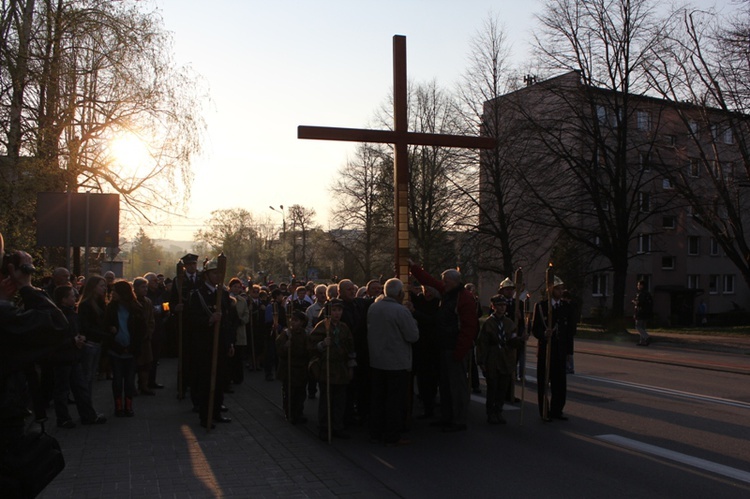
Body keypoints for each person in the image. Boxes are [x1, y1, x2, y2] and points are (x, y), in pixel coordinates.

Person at [409, 261, 479, 432]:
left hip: (455, 348)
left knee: (457, 387)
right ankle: (447, 417)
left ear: (454, 281)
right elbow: (430, 282)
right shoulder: (449, 293)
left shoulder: (464, 298)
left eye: (446, 281)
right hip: (445, 346)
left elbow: (469, 327)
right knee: (446, 386)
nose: (443, 284)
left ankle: (458, 419)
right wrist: (413, 267)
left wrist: (460, 351)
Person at [367, 278, 419, 446]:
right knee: (394, 401)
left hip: (377, 360)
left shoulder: (374, 307)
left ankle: (376, 431)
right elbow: (413, 336)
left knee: (378, 398)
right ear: (399, 293)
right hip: (396, 362)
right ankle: (392, 434)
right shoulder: (400, 311)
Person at [185, 256, 234, 429]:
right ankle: (205, 415)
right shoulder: (198, 295)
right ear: (206, 275)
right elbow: (191, 320)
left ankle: (216, 412)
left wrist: (229, 343)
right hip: (204, 345)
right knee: (206, 380)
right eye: (214, 273)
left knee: (220, 379)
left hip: (220, 343)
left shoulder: (224, 294)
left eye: (219, 273)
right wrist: (209, 320)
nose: (217, 276)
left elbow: (227, 322)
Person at [51, 285, 107, 426]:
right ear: (63, 299)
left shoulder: (72, 314)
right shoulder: (56, 315)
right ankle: (63, 419)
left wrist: (80, 337)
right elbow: (54, 338)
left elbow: (77, 330)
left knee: (80, 387)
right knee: (62, 390)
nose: (75, 298)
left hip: (74, 356)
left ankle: (88, 415)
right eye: (71, 296)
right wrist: (72, 340)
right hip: (63, 358)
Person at [532, 275, 577, 421]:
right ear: (550, 290)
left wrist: (569, 353)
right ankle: (544, 411)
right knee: (544, 382)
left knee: (560, 383)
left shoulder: (567, 307)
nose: (561, 291)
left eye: (562, 288)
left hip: (560, 351)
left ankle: (557, 410)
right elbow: (535, 329)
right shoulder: (541, 307)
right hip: (546, 350)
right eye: (558, 289)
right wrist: (544, 334)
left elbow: (570, 332)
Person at [308, 299, 354, 440]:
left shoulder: (344, 327)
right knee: (326, 400)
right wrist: (322, 344)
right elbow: (311, 345)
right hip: (327, 367)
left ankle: (337, 426)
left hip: (341, 368)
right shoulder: (322, 326)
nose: (337, 313)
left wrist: (351, 365)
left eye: (339, 310)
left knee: (340, 401)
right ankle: (324, 427)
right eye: (334, 310)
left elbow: (351, 347)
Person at [104, 280, 147, 417]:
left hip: (131, 350)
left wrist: (133, 347)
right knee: (117, 379)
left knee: (129, 380)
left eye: (115, 291)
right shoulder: (111, 308)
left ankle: (128, 406)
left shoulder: (136, 308)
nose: (112, 294)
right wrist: (112, 334)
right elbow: (106, 328)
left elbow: (141, 331)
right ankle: (118, 406)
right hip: (116, 350)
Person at [476, 296, 521, 424]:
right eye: (499, 305)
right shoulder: (488, 323)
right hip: (492, 358)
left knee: (502, 388)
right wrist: (481, 361)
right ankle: (490, 412)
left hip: (506, 358)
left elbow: (513, 341)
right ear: (493, 307)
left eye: (504, 305)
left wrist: (520, 339)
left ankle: (499, 411)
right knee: (492, 388)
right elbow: (482, 343)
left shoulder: (509, 323)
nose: (502, 308)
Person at [410, 284, 440, 419]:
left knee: (431, 378)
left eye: (430, 291)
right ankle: (424, 402)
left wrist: (415, 313)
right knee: (422, 378)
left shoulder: (438, 303)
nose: (427, 293)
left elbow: (433, 321)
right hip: (419, 345)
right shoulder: (419, 300)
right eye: (425, 290)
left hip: (433, 345)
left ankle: (430, 404)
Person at [276, 310, 310, 424]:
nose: (293, 323)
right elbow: (279, 350)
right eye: (292, 320)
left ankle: (298, 412)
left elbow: (307, 350)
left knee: (300, 393)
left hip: (300, 369)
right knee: (289, 392)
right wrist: (286, 347)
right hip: (288, 368)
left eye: (296, 320)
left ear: (301, 322)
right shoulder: (286, 334)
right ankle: (289, 412)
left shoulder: (304, 334)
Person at [77, 275, 108, 394]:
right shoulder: (86, 304)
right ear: (93, 287)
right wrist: (104, 334)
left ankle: (88, 405)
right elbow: (85, 326)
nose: (104, 288)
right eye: (101, 286)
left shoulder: (100, 303)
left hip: (97, 342)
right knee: (87, 376)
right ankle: (86, 406)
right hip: (89, 343)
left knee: (90, 376)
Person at [133, 277, 155, 396]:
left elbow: (151, 319)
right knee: (134, 363)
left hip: (146, 338)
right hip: (134, 338)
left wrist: (149, 332)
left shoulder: (148, 302)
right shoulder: (132, 302)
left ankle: (144, 385)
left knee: (146, 363)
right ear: (135, 288)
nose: (145, 289)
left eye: (146, 287)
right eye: (143, 287)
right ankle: (132, 386)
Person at [633, 280, 653, 346]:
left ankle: (647, 337)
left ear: (642, 286)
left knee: (638, 326)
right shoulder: (648, 294)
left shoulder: (641, 294)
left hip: (640, 312)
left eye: (638, 285)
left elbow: (640, 303)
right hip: (647, 313)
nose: (637, 286)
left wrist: (634, 302)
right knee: (643, 328)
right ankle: (642, 342)